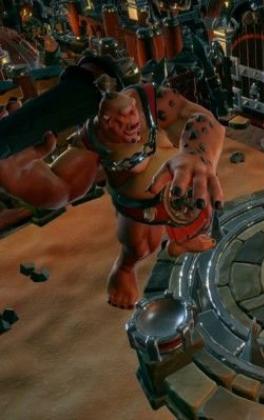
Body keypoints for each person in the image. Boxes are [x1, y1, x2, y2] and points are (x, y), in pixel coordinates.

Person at [0, 75, 225, 309]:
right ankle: (124, 269)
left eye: (131, 114)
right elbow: (62, 190)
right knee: (140, 247)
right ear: (105, 120)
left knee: (203, 202)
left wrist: (198, 155)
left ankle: (180, 243)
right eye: (119, 121)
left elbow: (204, 119)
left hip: (181, 191)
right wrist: (18, 176)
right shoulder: (96, 137)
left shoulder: (155, 102)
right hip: (138, 210)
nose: (130, 124)